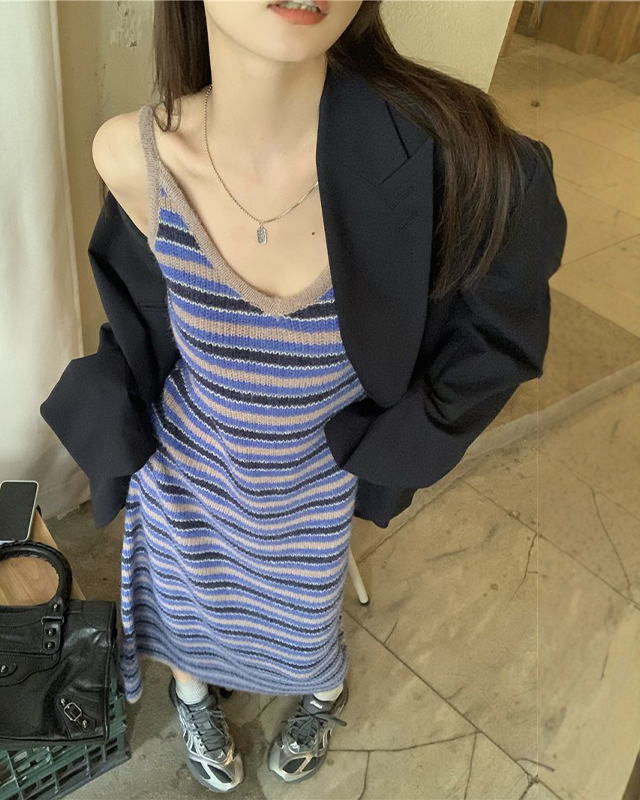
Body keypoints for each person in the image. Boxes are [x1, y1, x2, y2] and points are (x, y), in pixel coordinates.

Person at [80, 0, 563, 793]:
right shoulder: (133, 156)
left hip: (311, 485)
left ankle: (323, 694)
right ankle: (192, 697)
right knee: (183, 612)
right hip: (185, 472)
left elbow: (497, 341)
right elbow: (141, 322)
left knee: (306, 631)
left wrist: (389, 451)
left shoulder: (455, 163)